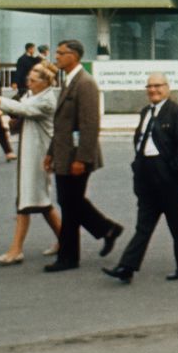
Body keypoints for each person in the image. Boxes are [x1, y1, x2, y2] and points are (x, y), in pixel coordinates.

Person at [103, 73, 178, 284]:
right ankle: (126, 267)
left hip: (167, 176)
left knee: (177, 223)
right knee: (143, 225)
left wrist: (172, 170)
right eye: (149, 86)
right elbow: (140, 141)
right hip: (145, 175)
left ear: (167, 88)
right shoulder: (146, 112)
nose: (153, 90)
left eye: (158, 86)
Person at [43, 39, 125, 273]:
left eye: (61, 53)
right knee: (69, 202)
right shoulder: (68, 81)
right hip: (63, 153)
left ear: (75, 56)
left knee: (70, 203)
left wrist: (82, 158)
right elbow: (62, 124)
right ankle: (106, 229)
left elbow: (89, 125)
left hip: (77, 156)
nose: (56, 57)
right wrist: (51, 153)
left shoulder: (85, 83)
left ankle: (69, 256)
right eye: (56, 52)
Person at [0, 60, 63, 264]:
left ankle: (16, 250)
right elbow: (21, 112)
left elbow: (23, 109)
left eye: (34, 77)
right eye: (30, 75)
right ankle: (66, 241)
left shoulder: (47, 100)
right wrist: (13, 121)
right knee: (39, 201)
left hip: (39, 155)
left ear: (46, 82)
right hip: (29, 152)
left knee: (28, 200)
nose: (29, 79)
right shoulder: (33, 94)